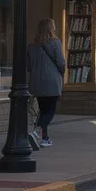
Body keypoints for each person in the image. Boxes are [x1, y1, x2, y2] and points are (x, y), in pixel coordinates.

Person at [28, 19, 66, 147]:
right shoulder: (55, 43)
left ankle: (44, 138)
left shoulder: (32, 46)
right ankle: (37, 132)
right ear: (51, 29)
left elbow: (28, 65)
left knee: (42, 110)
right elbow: (60, 62)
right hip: (51, 82)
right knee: (49, 111)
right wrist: (63, 71)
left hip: (37, 83)